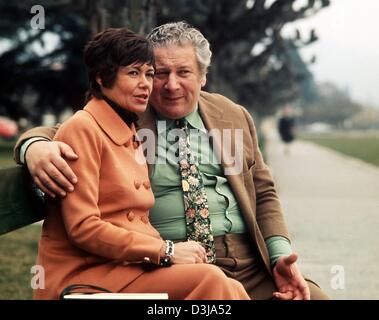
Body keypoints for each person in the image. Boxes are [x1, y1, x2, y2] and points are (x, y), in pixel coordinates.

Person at [14, 22, 328, 300]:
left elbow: (265, 193)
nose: (171, 85)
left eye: (184, 72)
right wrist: (33, 147)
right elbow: (70, 130)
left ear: (203, 76)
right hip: (168, 260)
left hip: (247, 263)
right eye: (160, 73)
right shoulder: (128, 113)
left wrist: (279, 258)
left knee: (312, 297)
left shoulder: (232, 116)